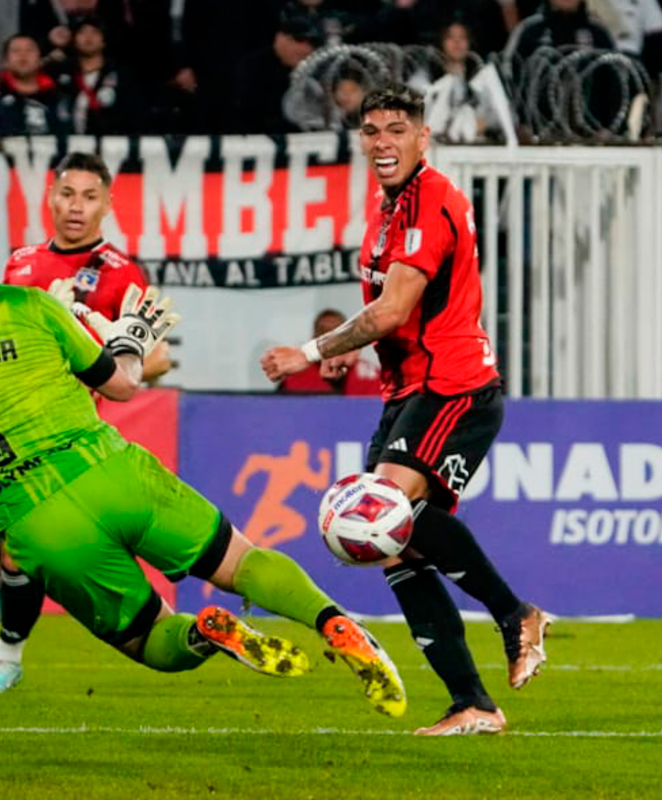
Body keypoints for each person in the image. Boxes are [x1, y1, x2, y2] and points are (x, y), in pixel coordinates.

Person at [0, 194, 407, 720]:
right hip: (111, 472)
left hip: (40, 525)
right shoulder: (29, 307)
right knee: (242, 562)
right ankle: (332, 621)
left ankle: (206, 631)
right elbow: (120, 387)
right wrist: (131, 339)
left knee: (151, 641)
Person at [261, 86, 549, 737]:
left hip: (453, 384)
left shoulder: (430, 199)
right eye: (372, 131)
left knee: (387, 512)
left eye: (397, 129)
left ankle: (515, 614)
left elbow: (391, 311)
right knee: (390, 548)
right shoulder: (390, 209)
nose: (383, 141)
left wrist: (308, 352)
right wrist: (349, 351)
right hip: (410, 391)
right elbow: (391, 315)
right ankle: (472, 703)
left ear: (424, 138)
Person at [0, 151, 173, 693]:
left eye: (90, 197)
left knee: (22, 544)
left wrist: (91, 339)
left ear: (108, 205)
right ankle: (19, 567)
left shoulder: (120, 274)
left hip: (56, 434)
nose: (76, 207)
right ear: (50, 196)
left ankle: (7, 654)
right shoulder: (18, 263)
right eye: (68, 194)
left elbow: (155, 357)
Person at [0, 33, 68, 141]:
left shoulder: (56, 94)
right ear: (5, 61)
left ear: (40, 58)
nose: (23, 56)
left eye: (29, 50)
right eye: (16, 51)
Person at [277, 308, 380, 395]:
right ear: (313, 338)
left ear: (347, 335)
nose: (329, 337)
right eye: (323, 331)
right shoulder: (295, 378)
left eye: (336, 330)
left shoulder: (372, 375)